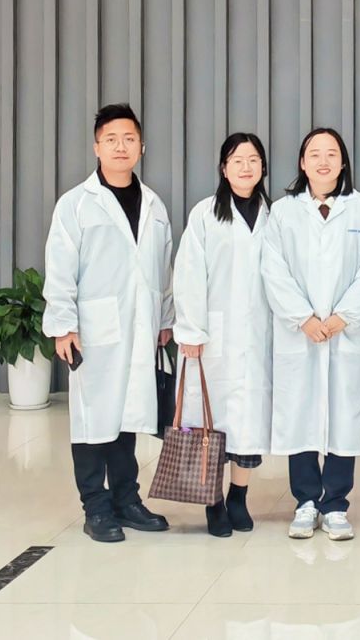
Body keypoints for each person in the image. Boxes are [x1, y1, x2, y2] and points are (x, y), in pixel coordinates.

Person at [43, 103, 176, 543]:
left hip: (141, 328)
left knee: (128, 415)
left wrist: (166, 319)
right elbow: (60, 268)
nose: (121, 147)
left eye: (129, 139)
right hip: (93, 331)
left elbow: (163, 269)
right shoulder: (76, 204)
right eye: (112, 140)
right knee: (92, 419)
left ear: (142, 146)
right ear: (97, 147)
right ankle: (96, 508)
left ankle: (126, 500)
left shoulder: (154, 205)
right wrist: (63, 325)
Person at [260, 127, 360, 542]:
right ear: (302, 163)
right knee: (301, 412)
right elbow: (273, 269)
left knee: (344, 415)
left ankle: (337, 503)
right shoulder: (283, 212)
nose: (323, 161)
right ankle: (306, 501)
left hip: (345, 331)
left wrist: (344, 316)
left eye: (331, 154)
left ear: (343, 162)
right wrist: (304, 318)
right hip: (301, 333)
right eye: (315, 154)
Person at [171, 132, 276, 537]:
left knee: (248, 421)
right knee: (209, 422)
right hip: (211, 337)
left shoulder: (274, 216)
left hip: (259, 335)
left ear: (263, 166)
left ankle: (238, 497)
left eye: (253, 160)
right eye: (237, 160)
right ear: (223, 168)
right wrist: (191, 329)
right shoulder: (205, 215)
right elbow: (189, 274)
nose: (246, 167)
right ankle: (212, 501)